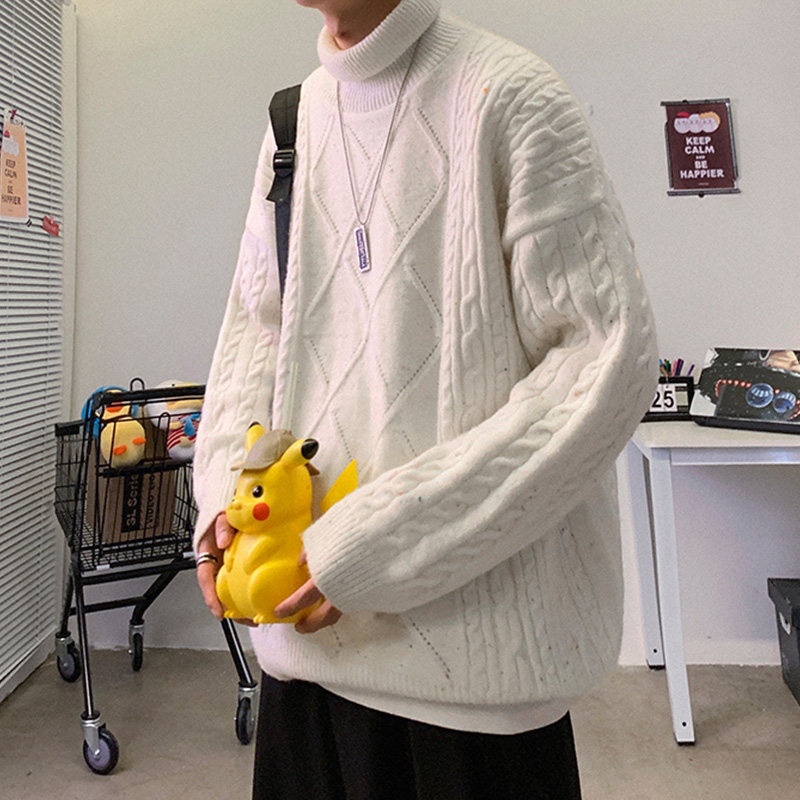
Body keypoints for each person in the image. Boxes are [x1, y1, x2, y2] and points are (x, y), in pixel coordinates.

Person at [193, 0, 659, 797]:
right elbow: (255, 332)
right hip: (301, 668)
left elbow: (605, 362)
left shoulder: (513, 96)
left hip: (474, 698)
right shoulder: (292, 123)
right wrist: (222, 501)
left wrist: (378, 546)